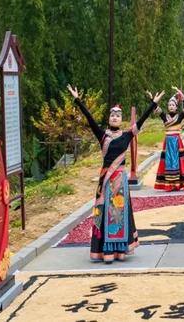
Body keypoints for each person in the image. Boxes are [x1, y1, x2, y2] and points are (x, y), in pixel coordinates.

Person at [68, 84, 161, 264]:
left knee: (119, 214)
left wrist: (153, 104)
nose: (115, 117)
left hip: (120, 181)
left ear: (121, 119)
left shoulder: (127, 135)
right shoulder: (103, 136)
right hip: (106, 182)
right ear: (109, 118)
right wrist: (77, 100)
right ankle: (105, 251)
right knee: (104, 213)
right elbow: (89, 119)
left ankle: (120, 250)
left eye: (118, 115)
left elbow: (141, 121)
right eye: (112, 115)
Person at [153, 87, 184, 191]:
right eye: (169, 105)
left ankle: (177, 184)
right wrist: (157, 98)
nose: (171, 106)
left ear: (176, 107)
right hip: (168, 142)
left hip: (177, 142)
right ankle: (169, 185)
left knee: (178, 162)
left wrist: (181, 94)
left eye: (173, 105)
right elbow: (155, 106)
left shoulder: (180, 116)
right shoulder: (164, 116)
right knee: (168, 162)